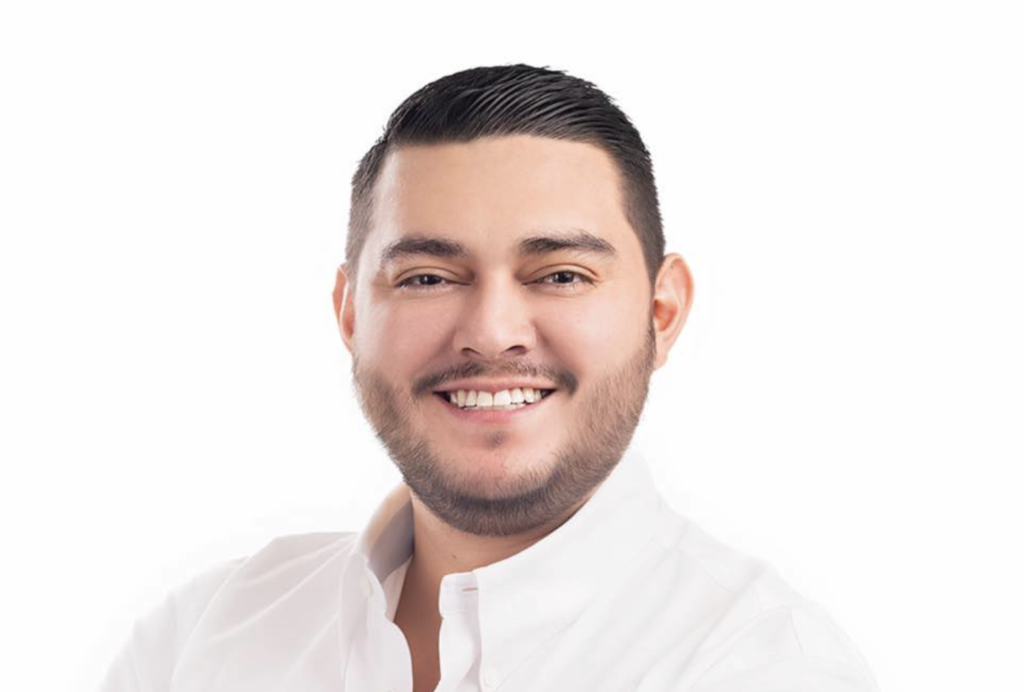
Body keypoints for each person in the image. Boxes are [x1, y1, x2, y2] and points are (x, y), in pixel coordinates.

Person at [100, 63, 879, 692]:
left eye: (562, 275)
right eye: (427, 278)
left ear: (662, 311)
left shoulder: (767, 668)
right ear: (350, 315)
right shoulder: (199, 638)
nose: (491, 332)